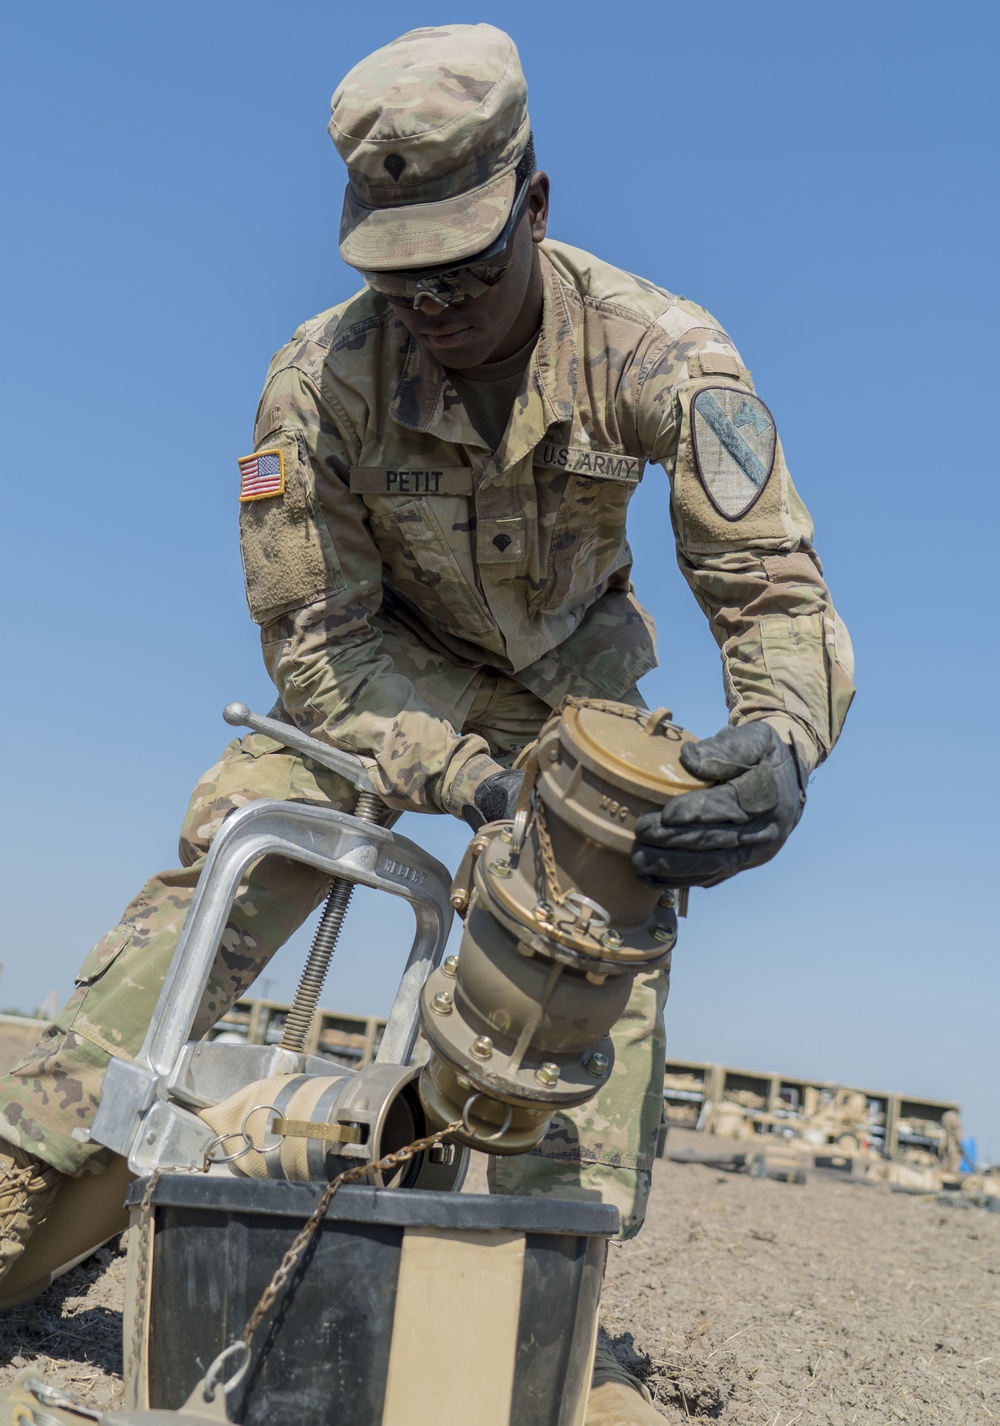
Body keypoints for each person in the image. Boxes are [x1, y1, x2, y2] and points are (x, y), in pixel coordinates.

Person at [0, 24, 854, 1424]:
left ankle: (537, 1302)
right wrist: (461, 771)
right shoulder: (314, 386)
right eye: (401, 277)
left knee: (592, 960)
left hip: (567, 699)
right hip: (377, 694)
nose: (435, 305)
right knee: (221, 881)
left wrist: (784, 736)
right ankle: (28, 1218)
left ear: (535, 203)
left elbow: (768, 584)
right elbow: (317, 652)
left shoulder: (659, 351)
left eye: (464, 266)